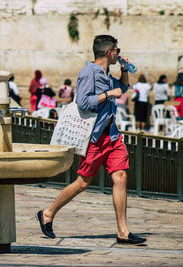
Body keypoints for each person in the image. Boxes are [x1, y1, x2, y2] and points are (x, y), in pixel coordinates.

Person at [36, 35, 147, 245]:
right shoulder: (89, 72)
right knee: (82, 183)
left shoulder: (106, 72)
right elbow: (83, 102)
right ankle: (47, 214)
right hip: (94, 137)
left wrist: (123, 71)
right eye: (117, 50)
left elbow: (122, 89)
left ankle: (123, 231)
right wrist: (108, 94)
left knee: (120, 176)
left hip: (112, 135)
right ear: (108, 52)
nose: (119, 53)